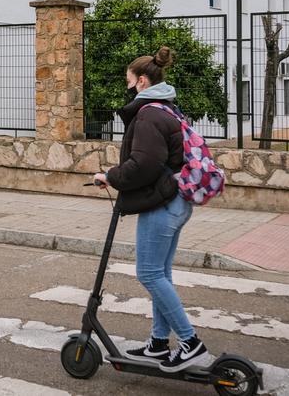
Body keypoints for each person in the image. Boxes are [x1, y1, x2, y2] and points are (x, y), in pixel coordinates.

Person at [93, 48, 210, 372]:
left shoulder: (148, 115)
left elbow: (144, 164)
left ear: (142, 81)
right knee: (161, 273)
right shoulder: (168, 109)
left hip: (163, 204)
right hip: (174, 202)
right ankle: (159, 343)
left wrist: (110, 176)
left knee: (149, 273)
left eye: (129, 83)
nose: (128, 89)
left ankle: (190, 343)